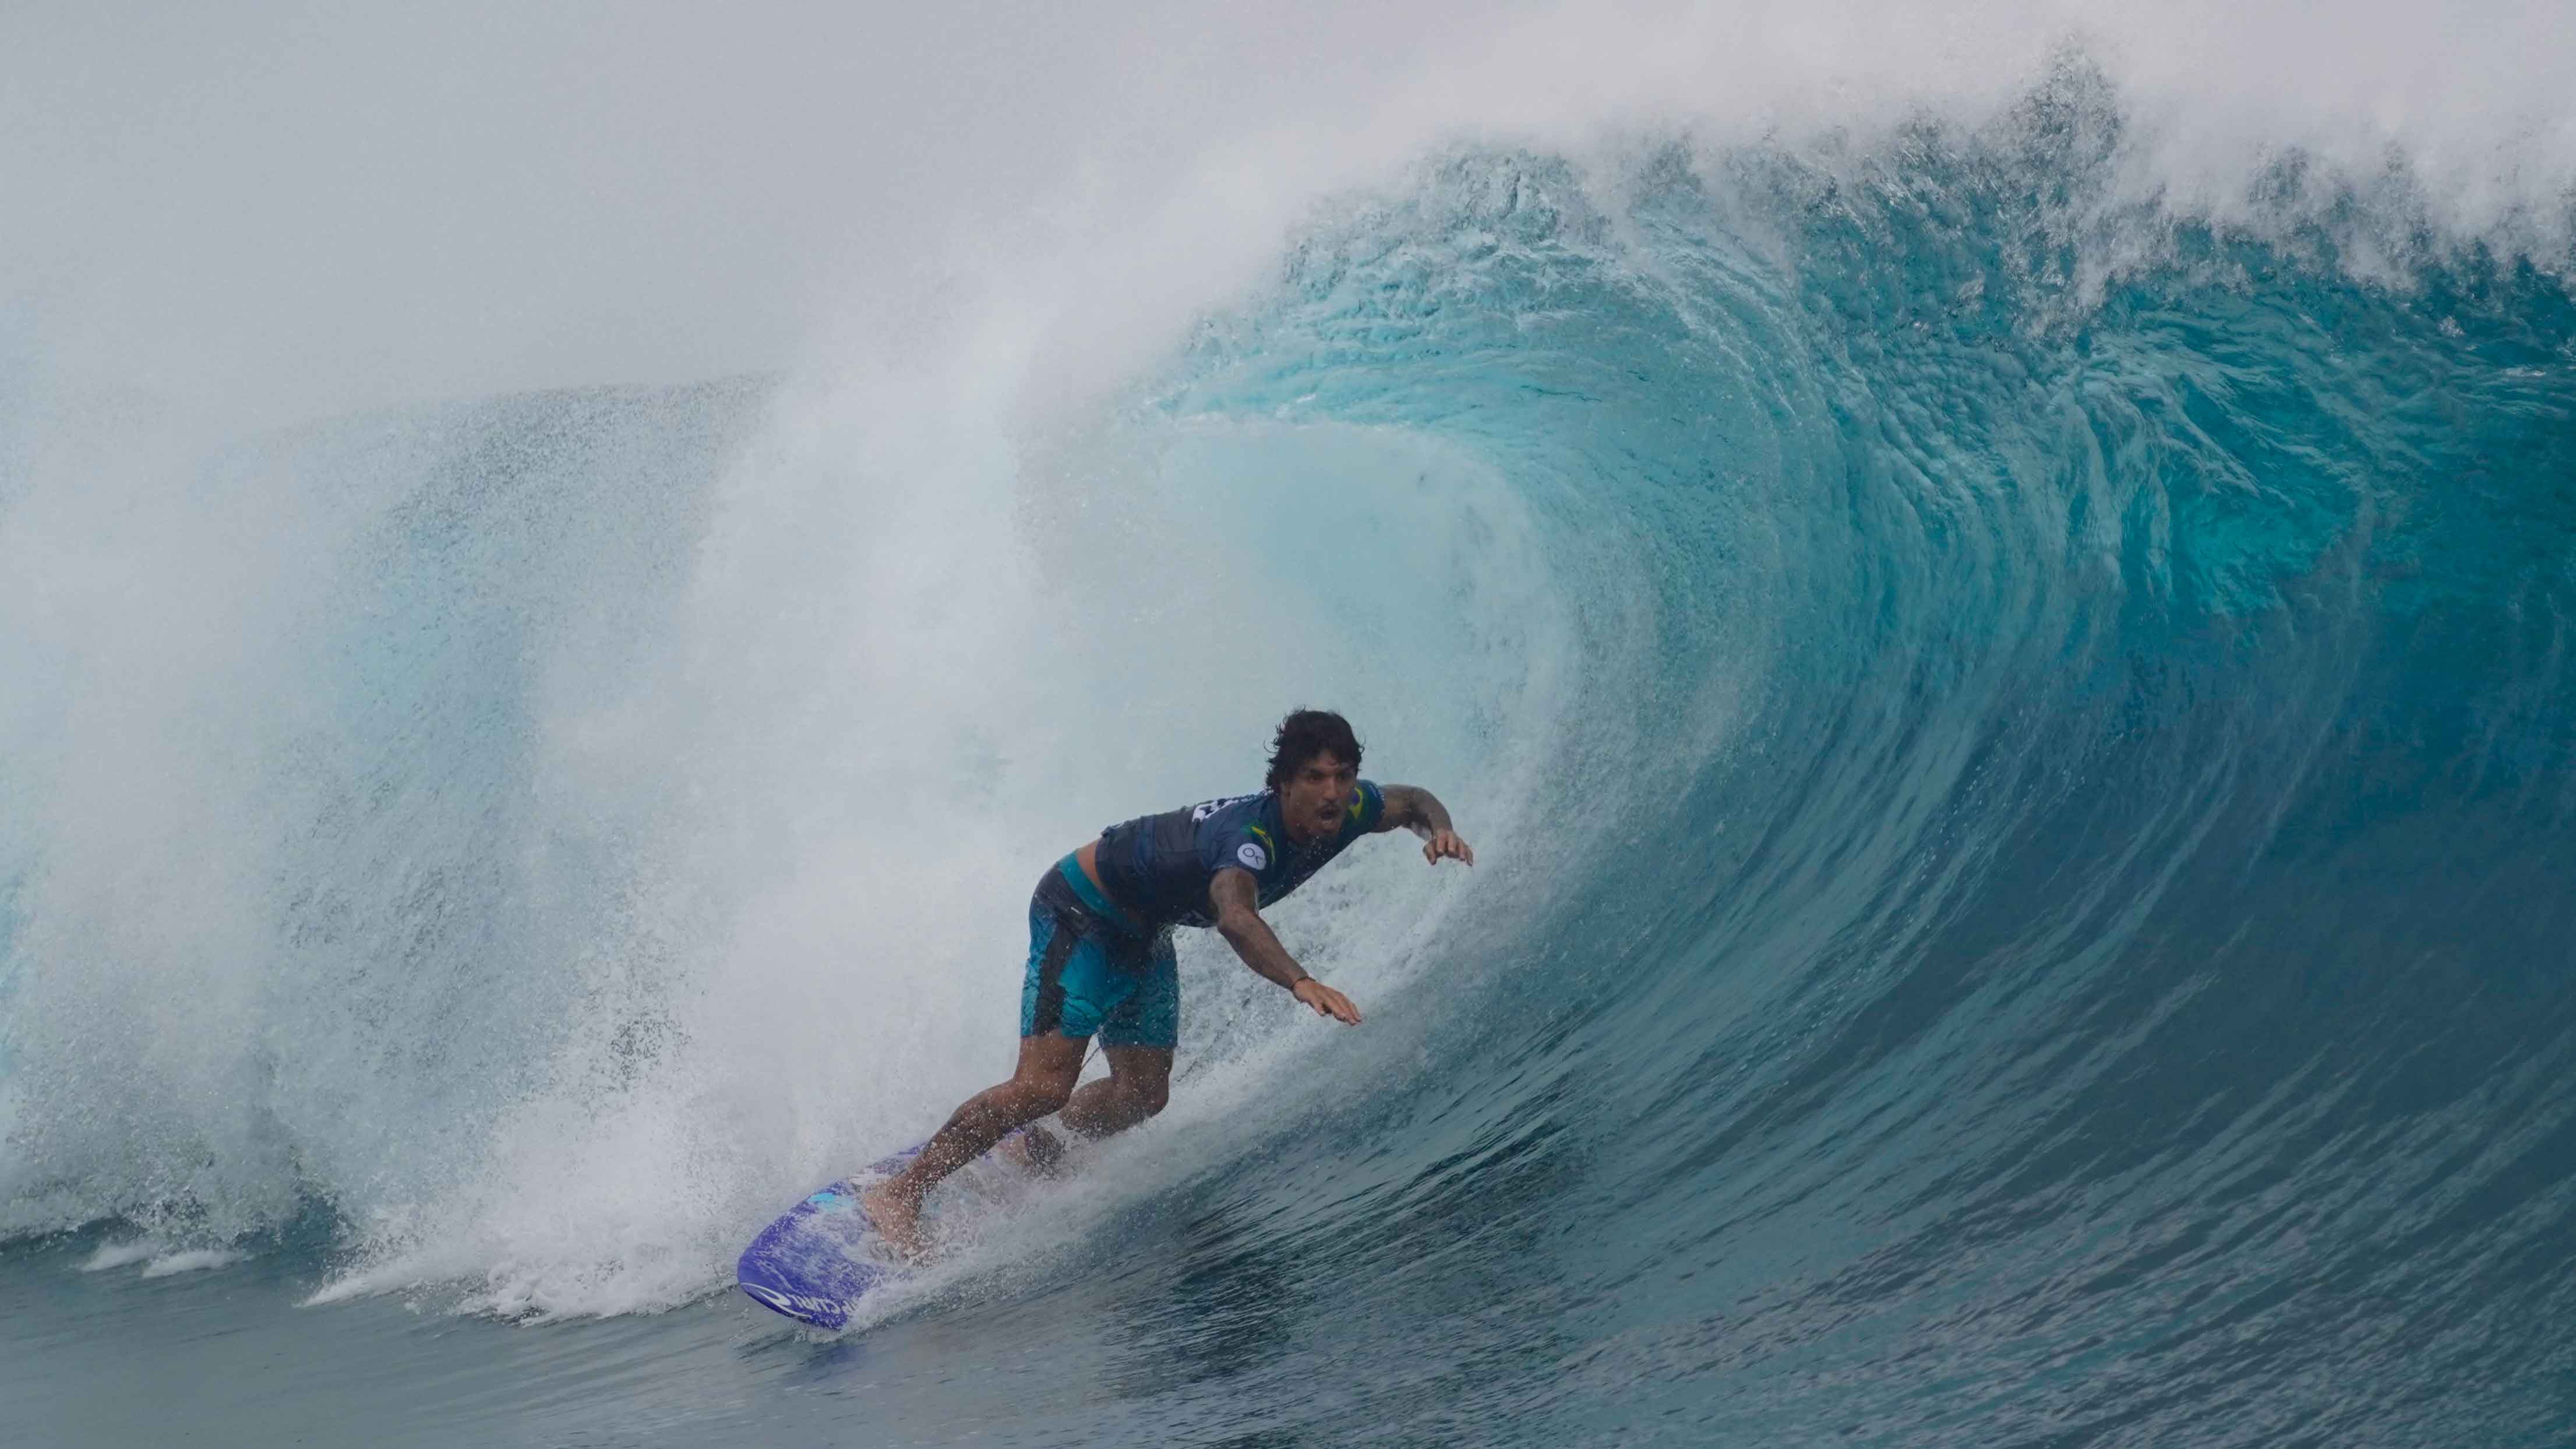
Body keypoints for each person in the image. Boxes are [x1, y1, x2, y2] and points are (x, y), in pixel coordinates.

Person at [860, 708, 1473, 1256]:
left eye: (1342, 775)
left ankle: (1040, 1146)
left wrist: (1438, 829)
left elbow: (1414, 799)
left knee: (1143, 1095)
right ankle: (900, 1192)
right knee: (1043, 1086)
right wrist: (1300, 980)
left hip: (1146, 928)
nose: (1332, 792)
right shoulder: (1248, 841)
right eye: (1314, 778)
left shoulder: (1354, 810)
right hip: (1081, 908)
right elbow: (1235, 916)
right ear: (1283, 783)